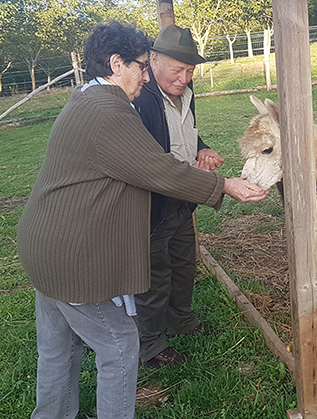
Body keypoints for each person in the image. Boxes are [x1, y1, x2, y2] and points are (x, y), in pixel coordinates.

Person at [16, 22, 268, 419]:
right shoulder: (108, 110)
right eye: (140, 66)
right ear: (117, 63)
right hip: (70, 257)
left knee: (58, 345)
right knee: (118, 344)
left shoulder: (87, 98)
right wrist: (224, 185)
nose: (146, 75)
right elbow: (158, 169)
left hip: (44, 246)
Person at [131, 24, 223, 368]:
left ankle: (181, 320)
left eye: (190, 70)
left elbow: (187, 134)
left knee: (184, 265)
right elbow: (147, 160)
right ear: (153, 61)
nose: (184, 78)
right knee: (154, 274)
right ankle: (150, 346)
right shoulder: (140, 98)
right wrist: (206, 180)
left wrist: (203, 149)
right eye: (177, 69)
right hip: (152, 204)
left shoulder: (186, 92)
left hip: (182, 200)